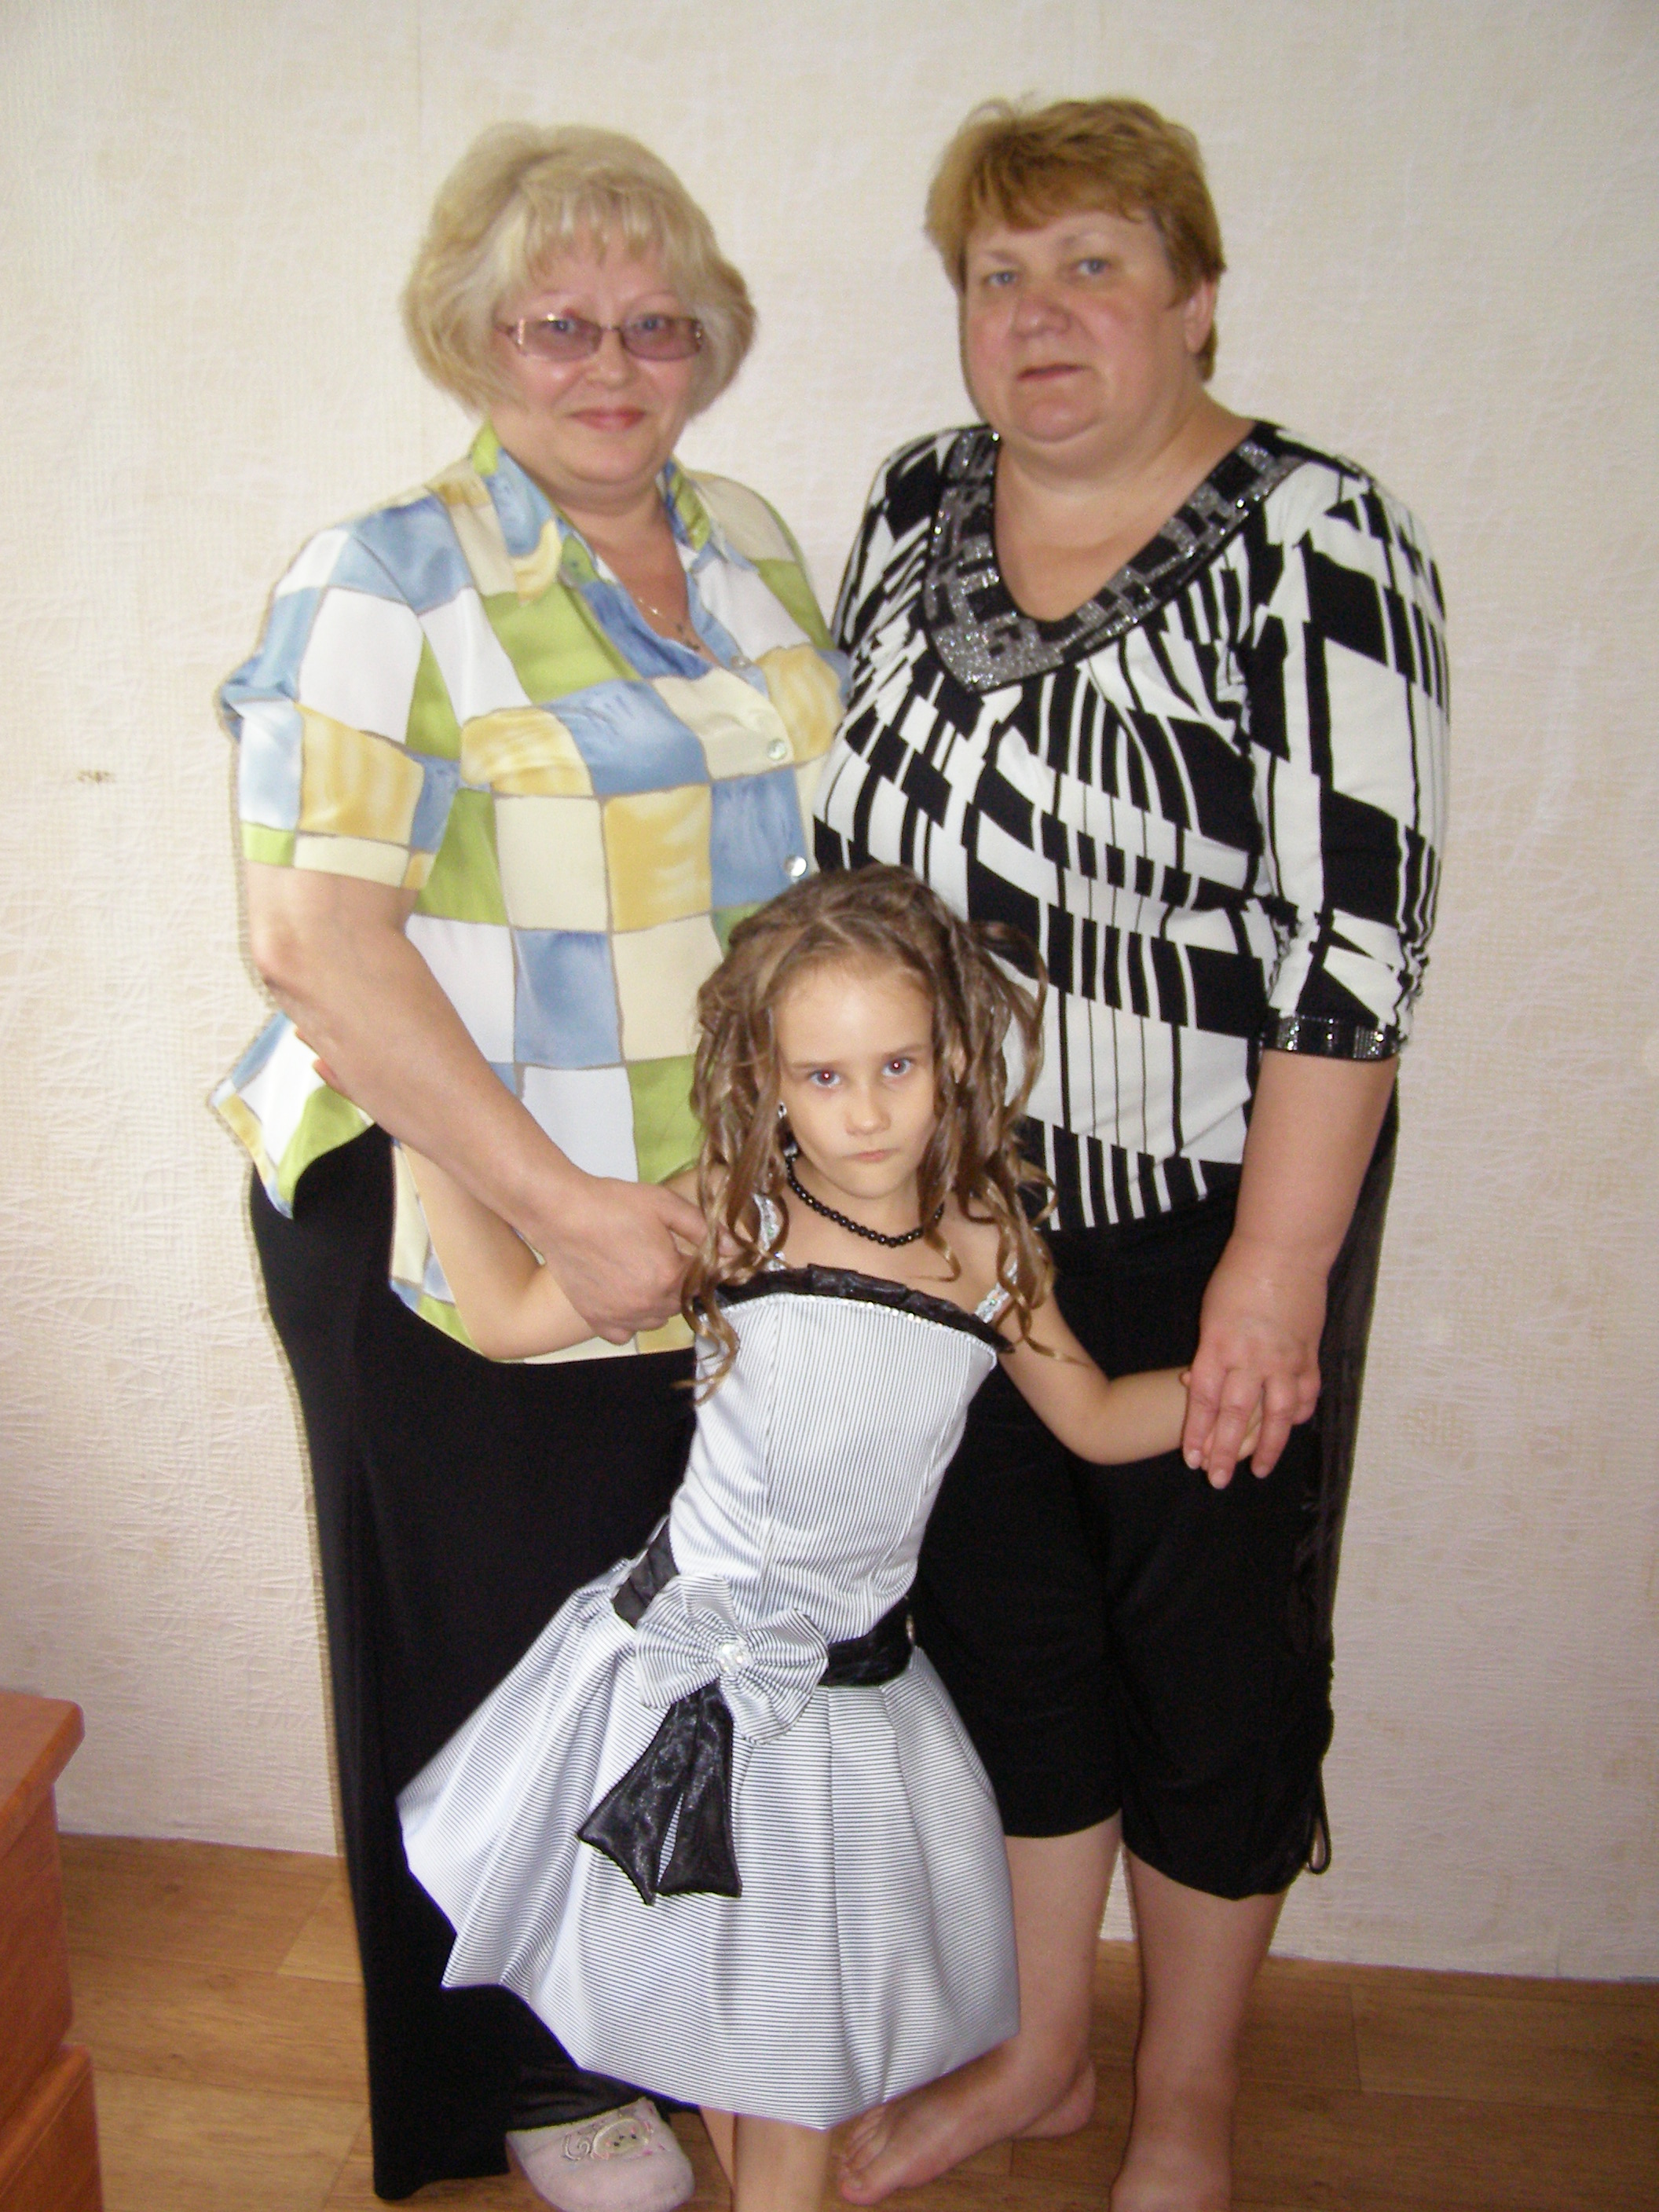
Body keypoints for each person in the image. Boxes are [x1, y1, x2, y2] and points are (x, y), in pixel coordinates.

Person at [814, 98, 1449, 2212]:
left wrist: (1278, 1271)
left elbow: (1354, 948)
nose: (1039, 312)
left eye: (1093, 264)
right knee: (1007, 1635)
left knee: (1213, 1666)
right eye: (999, 275)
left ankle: (1187, 2095)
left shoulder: (1317, 540)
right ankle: (1040, 2059)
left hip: (1211, 1219)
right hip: (941, 1217)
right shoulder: (916, 501)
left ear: (1195, 299)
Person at [214, 123, 843, 2208]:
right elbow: (315, 941)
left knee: (656, 1639)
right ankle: (526, 2076)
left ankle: (650, 2018)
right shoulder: (381, 578)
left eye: (655, 325)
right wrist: (564, 1204)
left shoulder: (751, 548)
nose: (611, 364)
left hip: (700, 1203)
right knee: (491, 1648)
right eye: (559, 324)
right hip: (458, 1197)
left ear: (709, 347)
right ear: (478, 342)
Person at [388, 865, 1238, 2212]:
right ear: (768, 1080)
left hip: (843, 1723)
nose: (868, 1110)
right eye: (824, 1077)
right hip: (674, 1682)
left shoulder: (985, 1248)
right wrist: (422, 1123)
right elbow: (503, 1318)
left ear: (954, 1054)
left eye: (898, 1065)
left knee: (778, 2061)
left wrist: (1234, 1391)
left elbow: (1088, 1416)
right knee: (753, 2059)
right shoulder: (737, 1212)